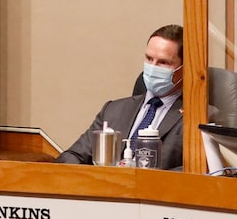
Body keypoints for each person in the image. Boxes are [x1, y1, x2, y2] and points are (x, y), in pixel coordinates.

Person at [56, 24, 188, 171]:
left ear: (184, 69)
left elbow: (193, 171)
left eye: (163, 62)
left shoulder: (197, 116)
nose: (153, 67)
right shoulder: (113, 110)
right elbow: (73, 156)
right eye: (149, 59)